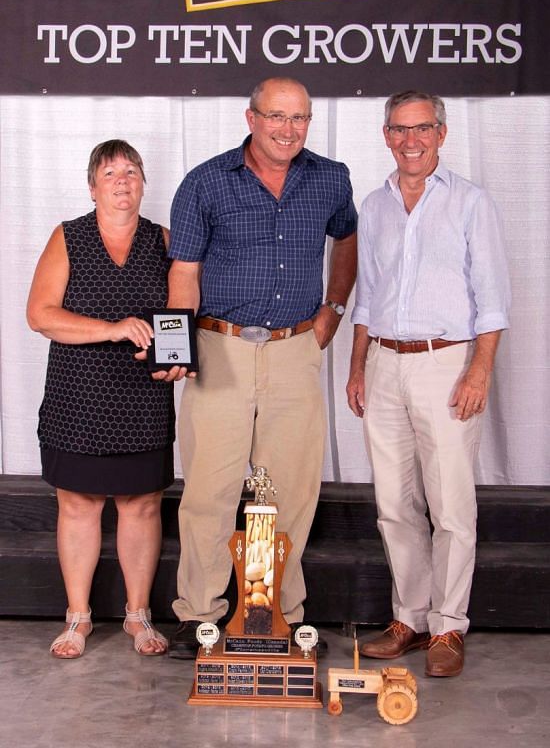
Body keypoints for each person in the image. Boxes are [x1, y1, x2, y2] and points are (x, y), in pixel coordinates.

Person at [161, 77, 357, 657]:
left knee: (288, 493)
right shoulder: (205, 182)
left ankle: (279, 615)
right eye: (277, 117)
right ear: (251, 118)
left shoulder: (330, 179)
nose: (288, 129)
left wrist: (334, 308)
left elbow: (345, 242)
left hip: (296, 350)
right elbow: (183, 272)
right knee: (210, 491)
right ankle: (199, 614)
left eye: (299, 118)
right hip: (220, 350)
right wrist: (177, 351)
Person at [346, 91, 510, 677]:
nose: (410, 141)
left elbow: (491, 300)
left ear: (441, 133)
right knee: (393, 503)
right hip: (385, 363)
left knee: (451, 505)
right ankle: (410, 619)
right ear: (386, 135)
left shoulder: (470, 203)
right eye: (399, 130)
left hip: (448, 364)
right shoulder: (375, 205)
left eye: (422, 129)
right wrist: (359, 364)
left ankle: (448, 627)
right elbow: (367, 294)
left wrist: (479, 369)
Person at [27, 140, 175, 658]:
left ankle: (138, 616)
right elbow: (41, 314)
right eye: (110, 172)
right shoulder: (68, 237)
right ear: (92, 187)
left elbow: (183, 316)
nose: (122, 180)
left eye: (132, 171)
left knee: (142, 506)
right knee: (78, 505)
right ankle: (78, 617)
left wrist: (181, 356)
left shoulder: (164, 240)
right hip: (77, 398)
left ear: (143, 184)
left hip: (143, 398)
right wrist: (111, 329)